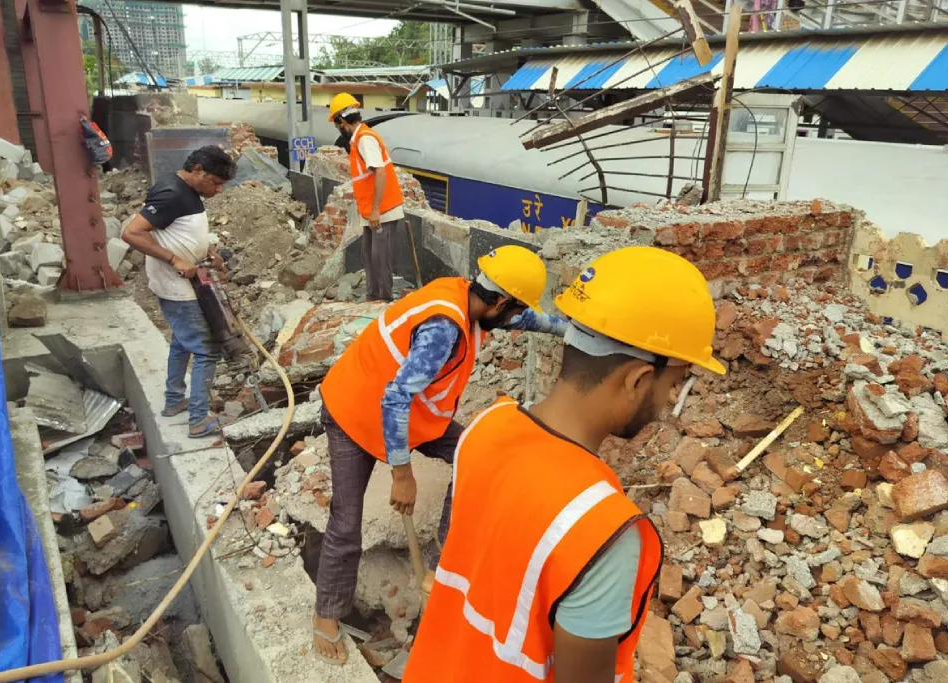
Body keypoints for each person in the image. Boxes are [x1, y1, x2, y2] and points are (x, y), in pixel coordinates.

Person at [403, 246, 727, 683]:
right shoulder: (601, 533)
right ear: (638, 380)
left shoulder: (484, 430)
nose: (669, 401)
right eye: (673, 385)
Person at [312, 245, 569, 665]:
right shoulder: (442, 330)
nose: (515, 318)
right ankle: (326, 616)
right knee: (346, 522)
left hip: (411, 417)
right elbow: (395, 398)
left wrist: (571, 332)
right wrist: (402, 475)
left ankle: (438, 565)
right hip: (354, 412)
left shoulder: (473, 300)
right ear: (500, 301)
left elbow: (526, 320)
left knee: (474, 454)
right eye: (514, 309)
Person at [121, 145, 237, 438]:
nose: (219, 190)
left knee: (182, 342)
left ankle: (174, 400)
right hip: (176, 285)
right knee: (206, 349)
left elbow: (179, 230)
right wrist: (175, 259)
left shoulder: (187, 191)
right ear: (198, 170)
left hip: (184, 282)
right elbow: (131, 233)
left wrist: (207, 250)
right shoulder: (172, 194)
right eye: (216, 183)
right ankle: (198, 420)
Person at [329, 92, 402, 302]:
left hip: (382, 210)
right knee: (370, 256)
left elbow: (380, 172)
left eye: (337, 126)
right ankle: (373, 297)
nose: (339, 130)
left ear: (342, 122)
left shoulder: (365, 139)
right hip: (372, 211)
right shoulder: (359, 139)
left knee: (380, 259)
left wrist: (376, 209)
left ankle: (383, 301)